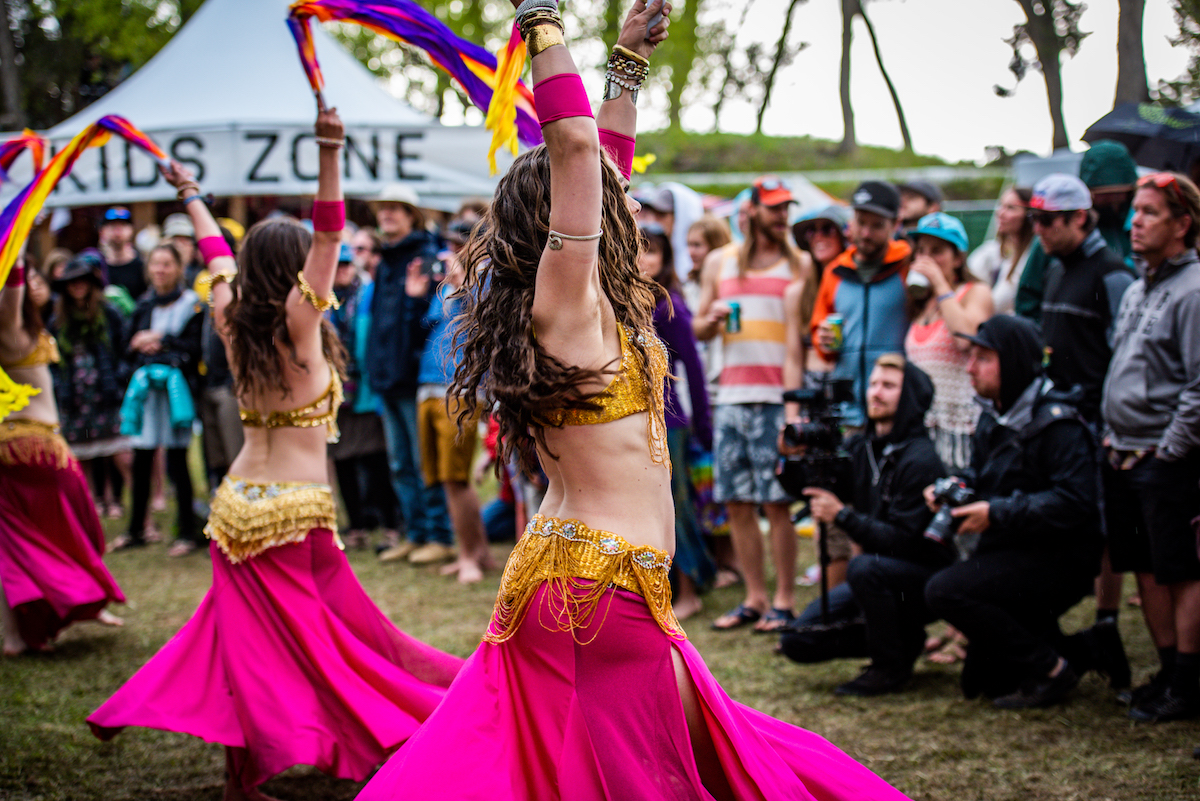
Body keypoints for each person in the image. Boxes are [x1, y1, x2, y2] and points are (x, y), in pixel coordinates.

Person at [356, 3, 910, 799]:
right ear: (554, 222)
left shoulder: (595, 304)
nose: (618, 203)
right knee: (695, 773)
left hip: (585, 583)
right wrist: (541, 21)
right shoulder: (562, 301)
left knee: (655, 765)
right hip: (598, 592)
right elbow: (579, 148)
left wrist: (626, 63)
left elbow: (602, 167)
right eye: (590, 197)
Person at [88, 108, 464, 801]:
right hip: (291, 512)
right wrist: (329, 151)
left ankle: (256, 774)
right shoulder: (299, 320)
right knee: (322, 647)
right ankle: (370, 736)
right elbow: (327, 230)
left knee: (264, 647)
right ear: (297, 272)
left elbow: (216, 257)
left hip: (236, 510)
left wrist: (192, 196)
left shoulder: (229, 314)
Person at [924, 315, 1103, 707]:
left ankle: (1052, 669)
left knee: (945, 591)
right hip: (1016, 545)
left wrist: (997, 512)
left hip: (1063, 557)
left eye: (983, 359)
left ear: (1016, 361)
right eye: (971, 357)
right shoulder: (995, 414)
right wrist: (958, 488)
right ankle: (1091, 648)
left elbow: (1076, 502)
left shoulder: (1059, 423)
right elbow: (984, 474)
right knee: (983, 683)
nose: (970, 368)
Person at [779, 356, 950, 696]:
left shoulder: (921, 458)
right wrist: (793, 457)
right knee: (798, 640)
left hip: (924, 579)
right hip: (876, 576)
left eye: (888, 386)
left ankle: (889, 669)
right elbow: (813, 487)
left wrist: (842, 515)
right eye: (873, 384)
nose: (876, 393)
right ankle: (905, 638)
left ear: (910, 396)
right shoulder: (861, 446)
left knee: (863, 568)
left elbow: (903, 541)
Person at [1101, 172, 1200, 722]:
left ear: (1182, 224)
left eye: (1150, 212)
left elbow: (1199, 383)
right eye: (1134, 211)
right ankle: (1167, 672)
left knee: (1180, 571)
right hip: (1122, 451)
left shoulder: (1193, 290)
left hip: (1167, 458)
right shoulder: (1140, 286)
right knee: (1143, 564)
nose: (1134, 221)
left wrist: (1171, 450)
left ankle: (1189, 680)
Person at [694, 174, 808, 633]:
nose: (783, 216)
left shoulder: (798, 263)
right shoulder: (720, 263)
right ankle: (755, 598)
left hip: (776, 397)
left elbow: (799, 344)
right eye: (775, 208)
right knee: (738, 501)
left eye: (787, 208)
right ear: (753, 210)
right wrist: (711, 319)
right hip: (730, 397)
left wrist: (794, 410)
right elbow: (699, 327)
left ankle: (783, 599)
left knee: (777, 502)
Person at [0, 254, 125, 656]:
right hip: (36, 448)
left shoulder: (24, 327)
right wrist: (15, 247)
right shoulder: (11, 326)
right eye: (31, 277)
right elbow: (12, 287)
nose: (36, 283)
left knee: (13, 546)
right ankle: (90, 602)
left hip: (10, 449)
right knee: (78, 527)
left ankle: (14, 636)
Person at [364, 184, 451, 566]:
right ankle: (415, 534)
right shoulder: (386, 261)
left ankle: (439, 536)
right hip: (386, 377)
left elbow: (435, 325)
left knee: (422, 462)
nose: (387, 215)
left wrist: (417, 299)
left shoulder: (426, 258)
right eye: (383, 209)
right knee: (400, 464)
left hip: (417, 378)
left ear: (411, 215)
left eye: (396, 209)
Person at [639, 222, 715, 620]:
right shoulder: (618, 300)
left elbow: (695, 371)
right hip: (632, 419)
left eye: (653, 250)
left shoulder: (668, 304)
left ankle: (689, 589)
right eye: (637, 247)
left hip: (669, 423)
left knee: (674, 506)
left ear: (666, 259)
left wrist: (704, 426)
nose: (644, 257)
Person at [109, 241, 203, 557]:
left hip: (177, 394)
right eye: (156, 264)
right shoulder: (144, 306)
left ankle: (187, 531)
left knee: (178, 462)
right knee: (141, 459)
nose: (161, 270)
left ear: (178, 268)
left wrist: (161, 341)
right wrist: (142, 346)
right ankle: (137, 528)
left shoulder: (192, 305)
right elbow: (127, 345)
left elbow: (193, 347)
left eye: (167, 264)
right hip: (147, 394)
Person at [1030, 173, 1134, 424]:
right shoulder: (1055, 268)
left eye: (1046, 219)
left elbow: (1128, 360)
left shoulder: (1112, 273)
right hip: (1060, 416)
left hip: (1096, 422)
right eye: (1033, 218)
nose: (1037, 229)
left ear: (1079, 217)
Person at [414, 249, 491, 582]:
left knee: (456, 478)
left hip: (460, 389)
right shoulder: (443, 290)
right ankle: (477, 552)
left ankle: (469, 557)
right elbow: (425, 327)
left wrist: (466, 284)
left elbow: (488, 322)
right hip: (428, 386)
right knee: (445, 479)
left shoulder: (483, 284)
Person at [809, 181, 913, 426]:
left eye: (876, 226)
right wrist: (823, 341)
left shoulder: (907, 266)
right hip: (848, 409)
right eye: (861, 223)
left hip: (897, 407)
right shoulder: (835, 272)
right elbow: (820, 336)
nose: (866, 233)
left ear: (895, 224)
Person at [904, 212, 993, 471]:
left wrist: (941, 284)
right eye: (921, 251)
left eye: (937, 251)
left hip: (961, 428)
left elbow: (966, 339)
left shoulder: (975, 292)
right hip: (923, 428)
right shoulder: (921, 305)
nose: (926, 258)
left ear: (958, 258)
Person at [48, 250, 133, 519]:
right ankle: (92, 501)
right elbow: (53, 361)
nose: (78, 286)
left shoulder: (109, 314)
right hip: (75, 398)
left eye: (82, 280)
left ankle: (120, 500)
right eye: (72, 282)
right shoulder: (58, 322)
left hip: (107, 393)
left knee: (117, 451)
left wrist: (120, 379)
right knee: (83, 454)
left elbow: (125, 349)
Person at [1014, 140, 1139, 321]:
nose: (1109, 200)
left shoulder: (1137, 226)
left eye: (1117, 192)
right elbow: (1028, 297)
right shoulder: (1055, 239)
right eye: (1101, 193)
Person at [328, 242, 401, 551]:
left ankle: (390, 525)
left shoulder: (368, 295)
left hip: (366, 392)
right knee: (342, 461)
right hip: (337, 394)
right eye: (337, 264)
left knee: (376, 460)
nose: (342, 269)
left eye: (346, 264)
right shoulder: (322, 301)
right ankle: (356, 525)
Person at [790, 204, 853, 386]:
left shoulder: (858, 287)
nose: (818, 237)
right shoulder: (799, 293)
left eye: (827, 229)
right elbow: (793, 359)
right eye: (811, 231)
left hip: (848, 380)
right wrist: (792, 412)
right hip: (812, 384)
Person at [968, 187, 1034, 315]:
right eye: (1001, 205)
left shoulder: (1031, 255)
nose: (1000, 213)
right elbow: (969, 274)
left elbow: (998, 303)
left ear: (1029, 215)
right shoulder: (994, 249)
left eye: (1010, 208)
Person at [98, 207, 146, 301]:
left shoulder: (143, 266)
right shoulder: (98, 267)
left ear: (131, 230)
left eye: (123, 225)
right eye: (112, 226)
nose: (117, 231)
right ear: (102, 232)